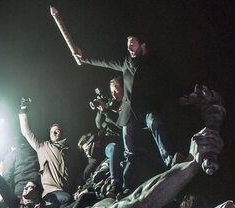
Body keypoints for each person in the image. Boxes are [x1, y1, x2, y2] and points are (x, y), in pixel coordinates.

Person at [75, 34, 182, 190]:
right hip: (129, 113)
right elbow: (105, 61)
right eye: (128, 44)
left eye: (132, 44)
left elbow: (166, 82)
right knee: (130, 150)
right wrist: (84, 57)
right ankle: (124, 185)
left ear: (142, 45)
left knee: (155, 123)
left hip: (146, 109)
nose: (129, 47)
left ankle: (169, 159)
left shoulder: (152, 64)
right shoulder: (126, 63)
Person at [18, 98, 83, 208]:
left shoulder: (71, 152)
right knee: (67, 199)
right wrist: (23, 110)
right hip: (51, 192)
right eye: (52, 131)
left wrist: (78, 189)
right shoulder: (42, 146)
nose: (55, 133)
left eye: (58, 130)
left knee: (73, 200)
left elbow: (77, 174)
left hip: (67, 191)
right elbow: (26, 132)